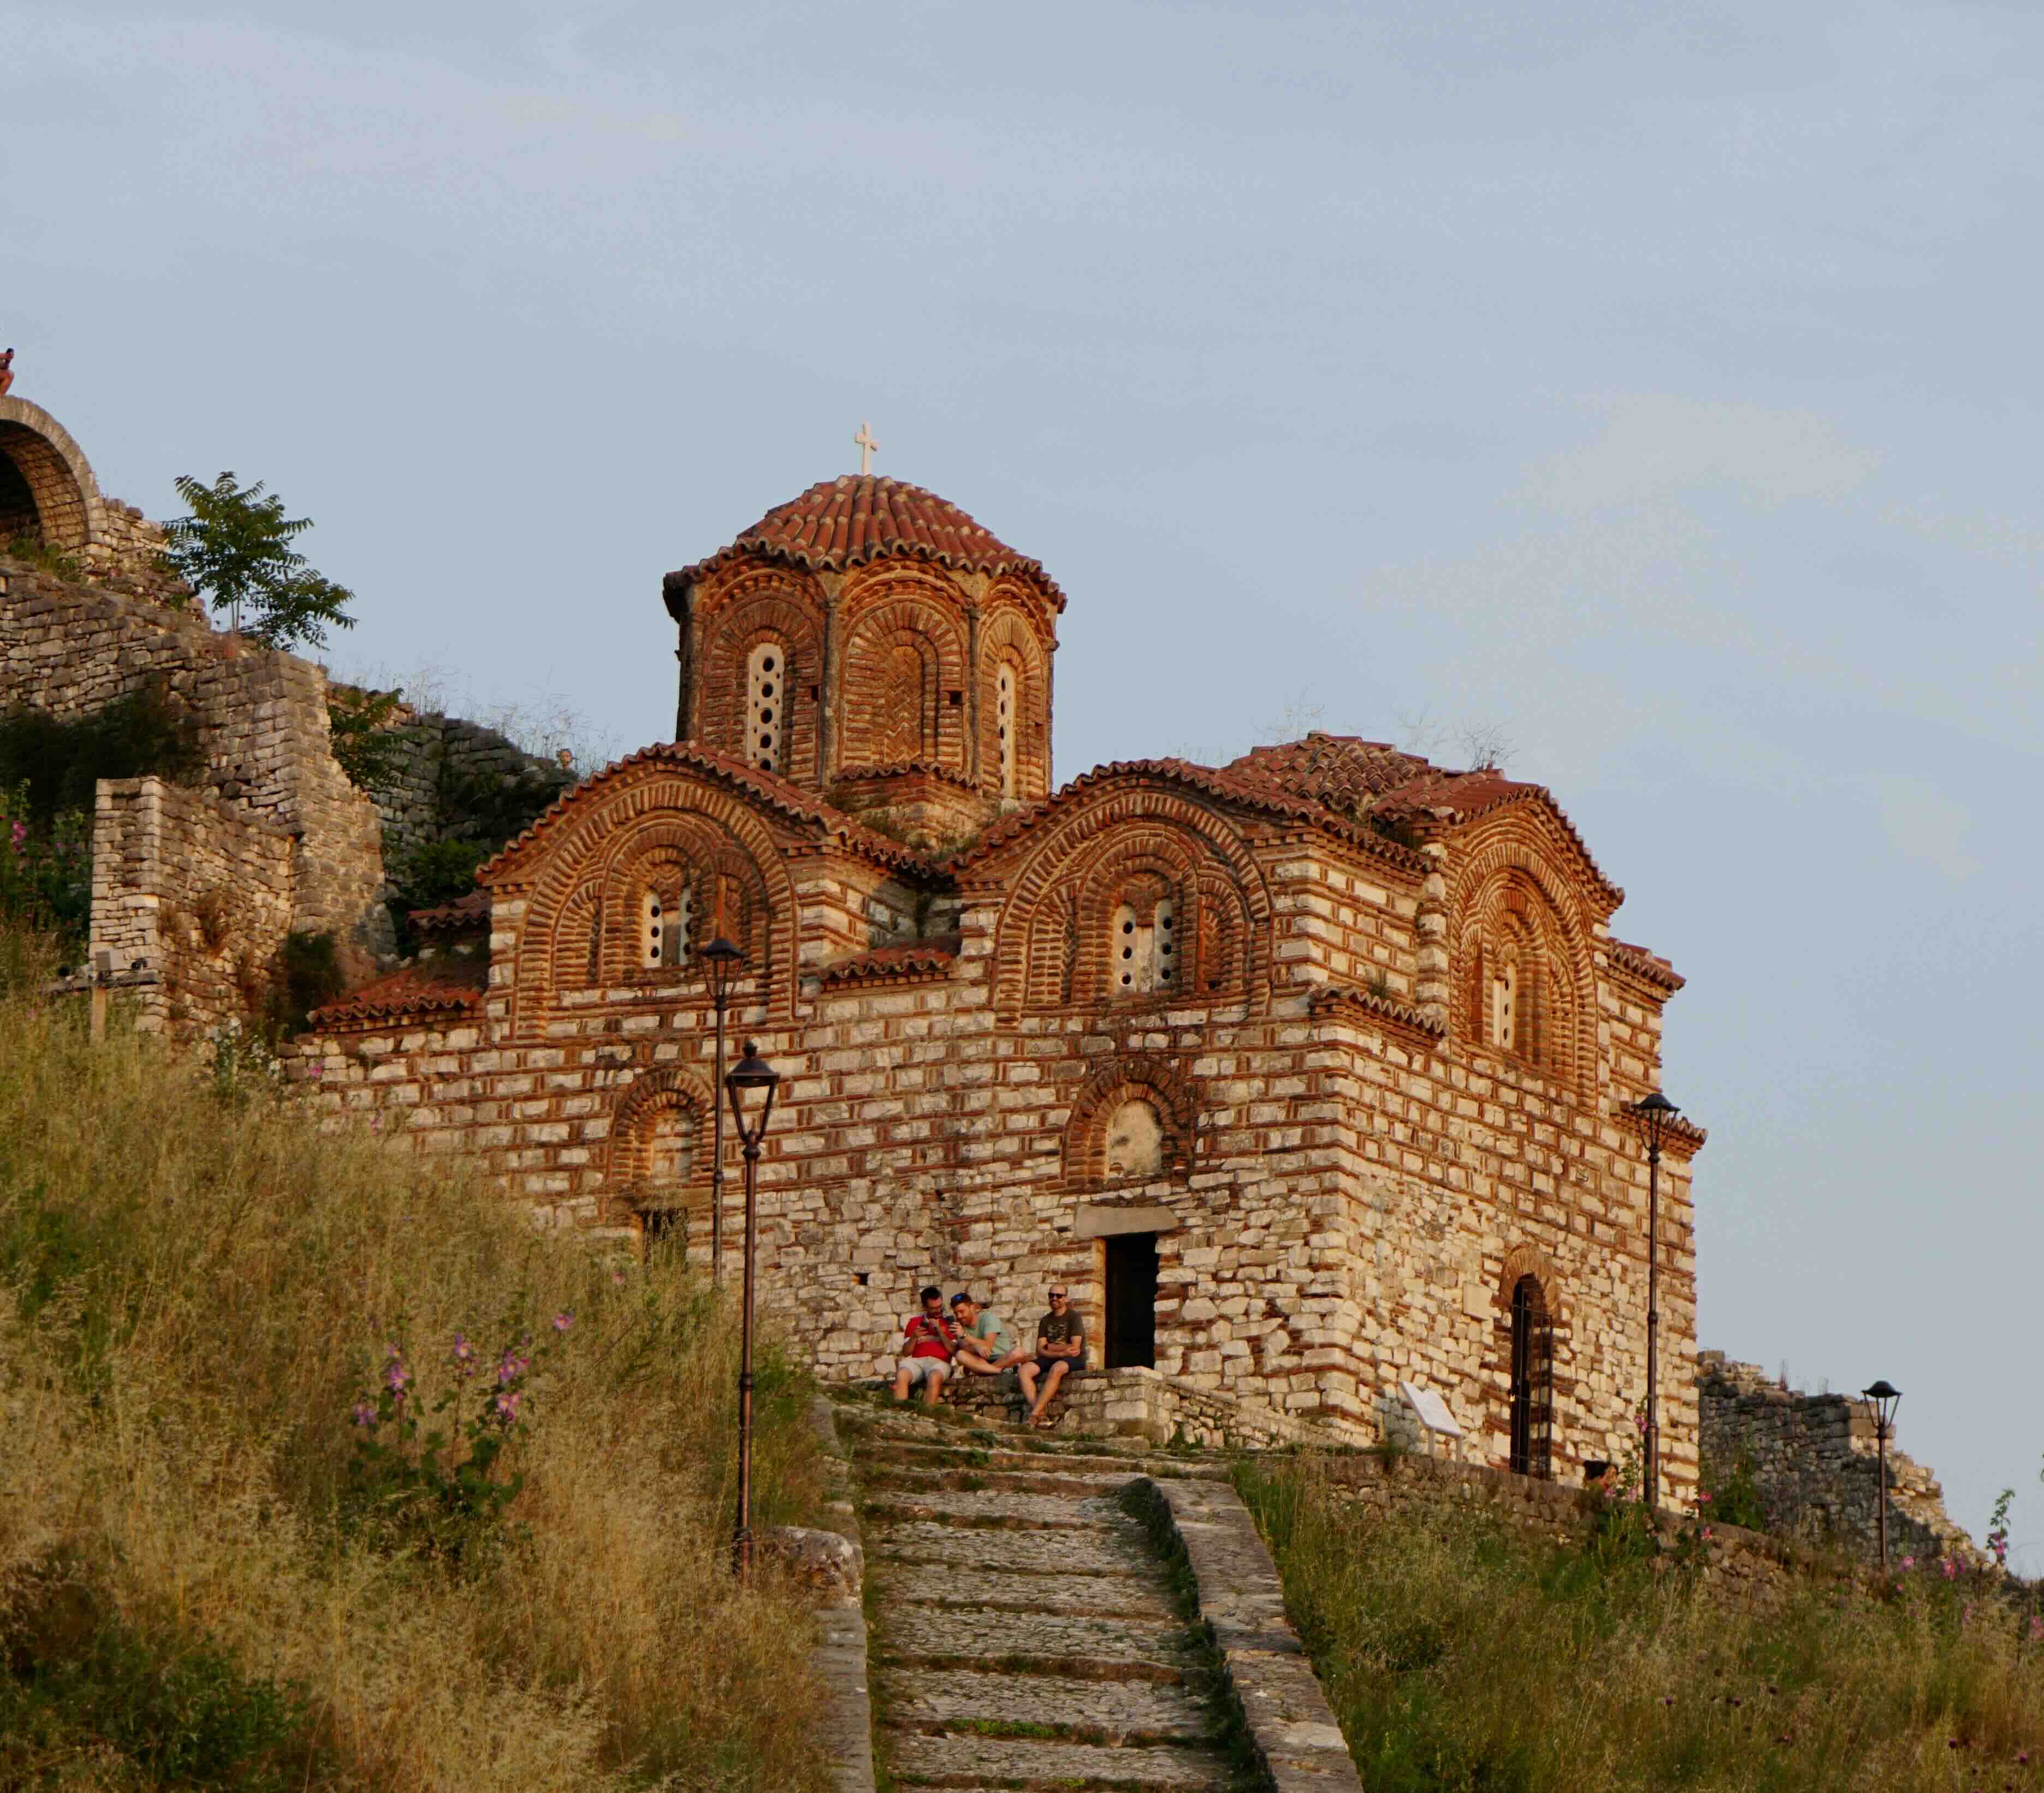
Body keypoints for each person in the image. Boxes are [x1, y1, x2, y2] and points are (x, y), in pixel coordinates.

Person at [1018, 1283, 1085, 1427]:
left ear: (1065, 1299)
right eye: (1051, 1295)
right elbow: (1039, 1350)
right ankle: (1041, 1414)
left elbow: (1074, 1348)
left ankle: (1034, 1415)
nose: (1054, 1298)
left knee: (1057, 1369)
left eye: (1059, 1296)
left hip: (1074, 1359)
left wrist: (1050, 1347)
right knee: (1024, 1370)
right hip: (1053, 1357)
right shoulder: (1045, 1320)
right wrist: (1060, 1351)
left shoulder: (1074, 1317)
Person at [892, 1285, 958, 1407]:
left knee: (934, 1377)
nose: (938, 1311)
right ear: (924, 1307)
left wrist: (941, 1332)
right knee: (902, 1374)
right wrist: (914, 1337)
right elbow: (906, 1352)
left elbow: (954, 1351)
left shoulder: (950, 1322)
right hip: (916, 1361)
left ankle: (927, 1415)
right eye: (934, 1308)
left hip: (940, 1363)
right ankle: (899, 1415)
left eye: (940, 1307)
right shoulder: (915, 1322)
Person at [949, 1292, 1026, 1386]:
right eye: (956, 1313)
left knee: (1019, 1351)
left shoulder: (988, 1318)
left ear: (972, 1308)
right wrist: (976, 1348)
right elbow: (964, 1349)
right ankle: (1000, 1371)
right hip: (981, 1361)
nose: (959, 1316)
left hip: (1002, 1358)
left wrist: (964, 1335)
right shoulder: (960, 1325)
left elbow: (987, 1346)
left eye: (962, 1312)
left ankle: (984, 1371)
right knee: (960, 1355)